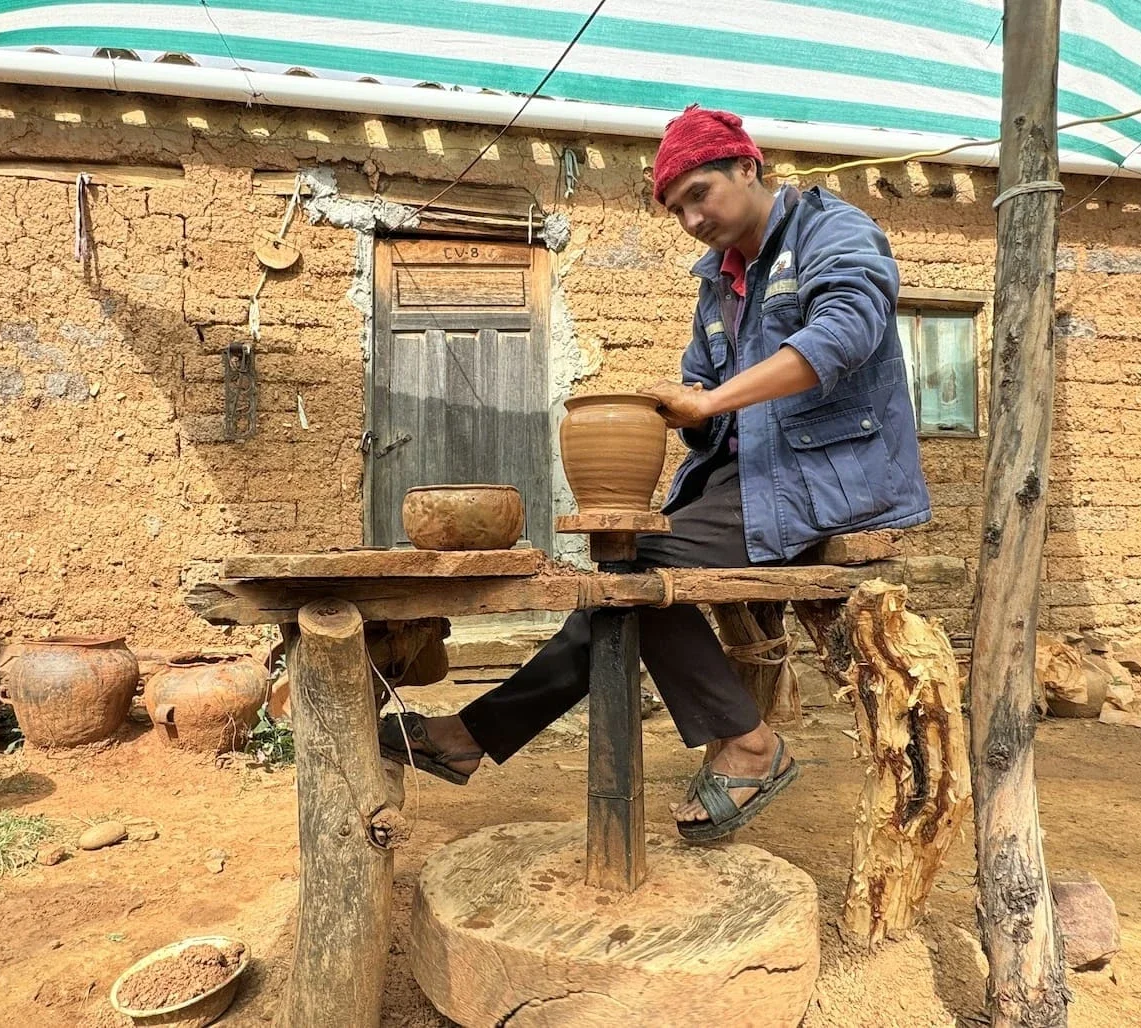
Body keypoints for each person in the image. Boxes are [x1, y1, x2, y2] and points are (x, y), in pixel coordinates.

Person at [379, 105, 931, 841]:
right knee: (617, 583)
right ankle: (470, 738)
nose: (691, 219)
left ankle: (747, 742)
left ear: (747, 167)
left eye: (699, 194)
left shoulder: (831, 232)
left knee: (635, 570)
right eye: (675, 209)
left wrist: (710, 400)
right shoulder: (717, 282)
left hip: (833, 480)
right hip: (754, 483)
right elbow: (700, 381)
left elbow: (846, 332)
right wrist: (679, 406)